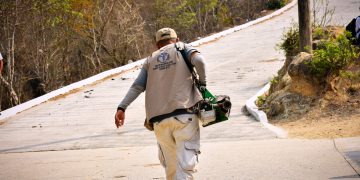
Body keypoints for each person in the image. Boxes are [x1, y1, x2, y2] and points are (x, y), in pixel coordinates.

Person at [114, 27, 207, 179]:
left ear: (157, 44)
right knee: (185, 167)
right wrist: (202, 83)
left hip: (159, 121)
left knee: (171, 169)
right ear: (176, 39)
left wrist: (121, 107)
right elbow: (199, 60)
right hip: (184, 116)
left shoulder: (150, 59)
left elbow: (137, 86)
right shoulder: (182, 48)